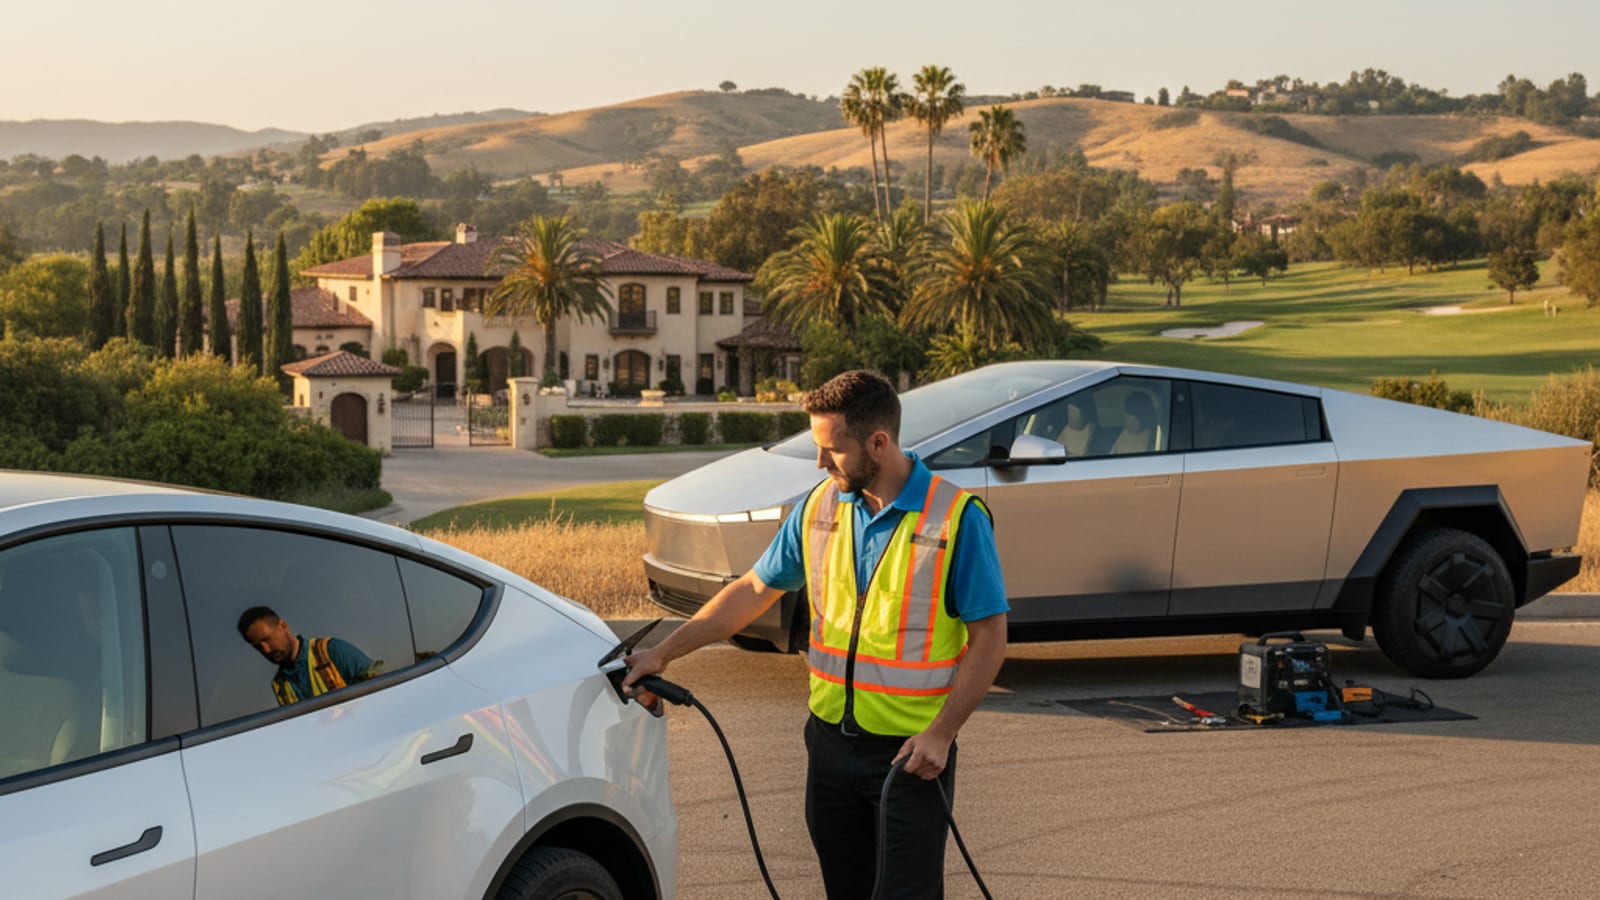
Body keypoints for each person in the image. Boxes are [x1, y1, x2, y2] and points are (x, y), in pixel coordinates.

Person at [623, 370, 1008, 900]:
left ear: (879, 442)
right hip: (828, 746)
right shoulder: (820, 506)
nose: (821, 463)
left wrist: (942, 733)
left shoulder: (956, 518)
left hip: (910, 757)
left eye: (832, 449)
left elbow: (990, 635)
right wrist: (664, 653)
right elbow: (755, 588)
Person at [236, 606, 378, 706]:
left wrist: (351, 709)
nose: (266, 649)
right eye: (258, 646)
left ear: (283, 626)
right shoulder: (280, 685)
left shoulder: (331, 651)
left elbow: (380, 689)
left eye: (267, 639)